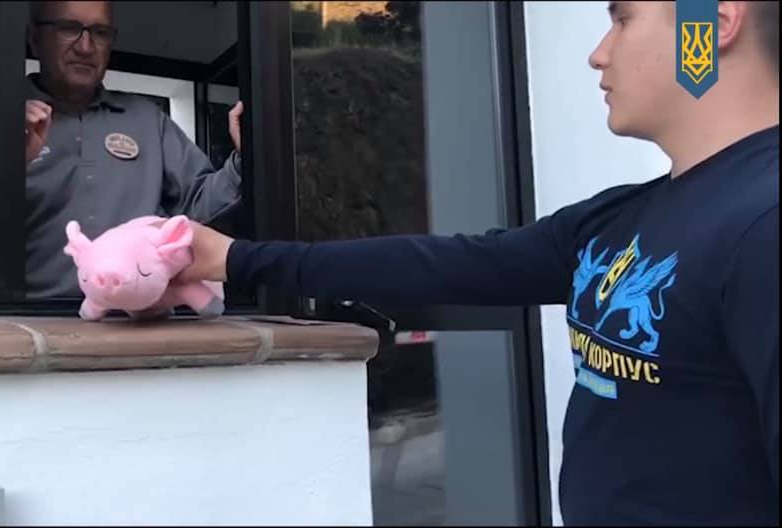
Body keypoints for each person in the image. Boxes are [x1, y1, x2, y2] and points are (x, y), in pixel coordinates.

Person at [176, 1, 779, 525]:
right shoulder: (620, 217)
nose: (599, 54)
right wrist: (230, 258)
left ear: (711, 23)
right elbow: (448, 264)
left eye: (622, 19)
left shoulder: (764, 225)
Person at [24, 0, 245, 298]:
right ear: (35, 39)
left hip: (139, 317)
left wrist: (244, 158)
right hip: (28, 316)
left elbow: (197, 209)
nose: (86, 47)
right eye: (68, 28)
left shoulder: (147, 120)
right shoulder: (0, 117)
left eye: (100, 33)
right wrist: (15, 162)